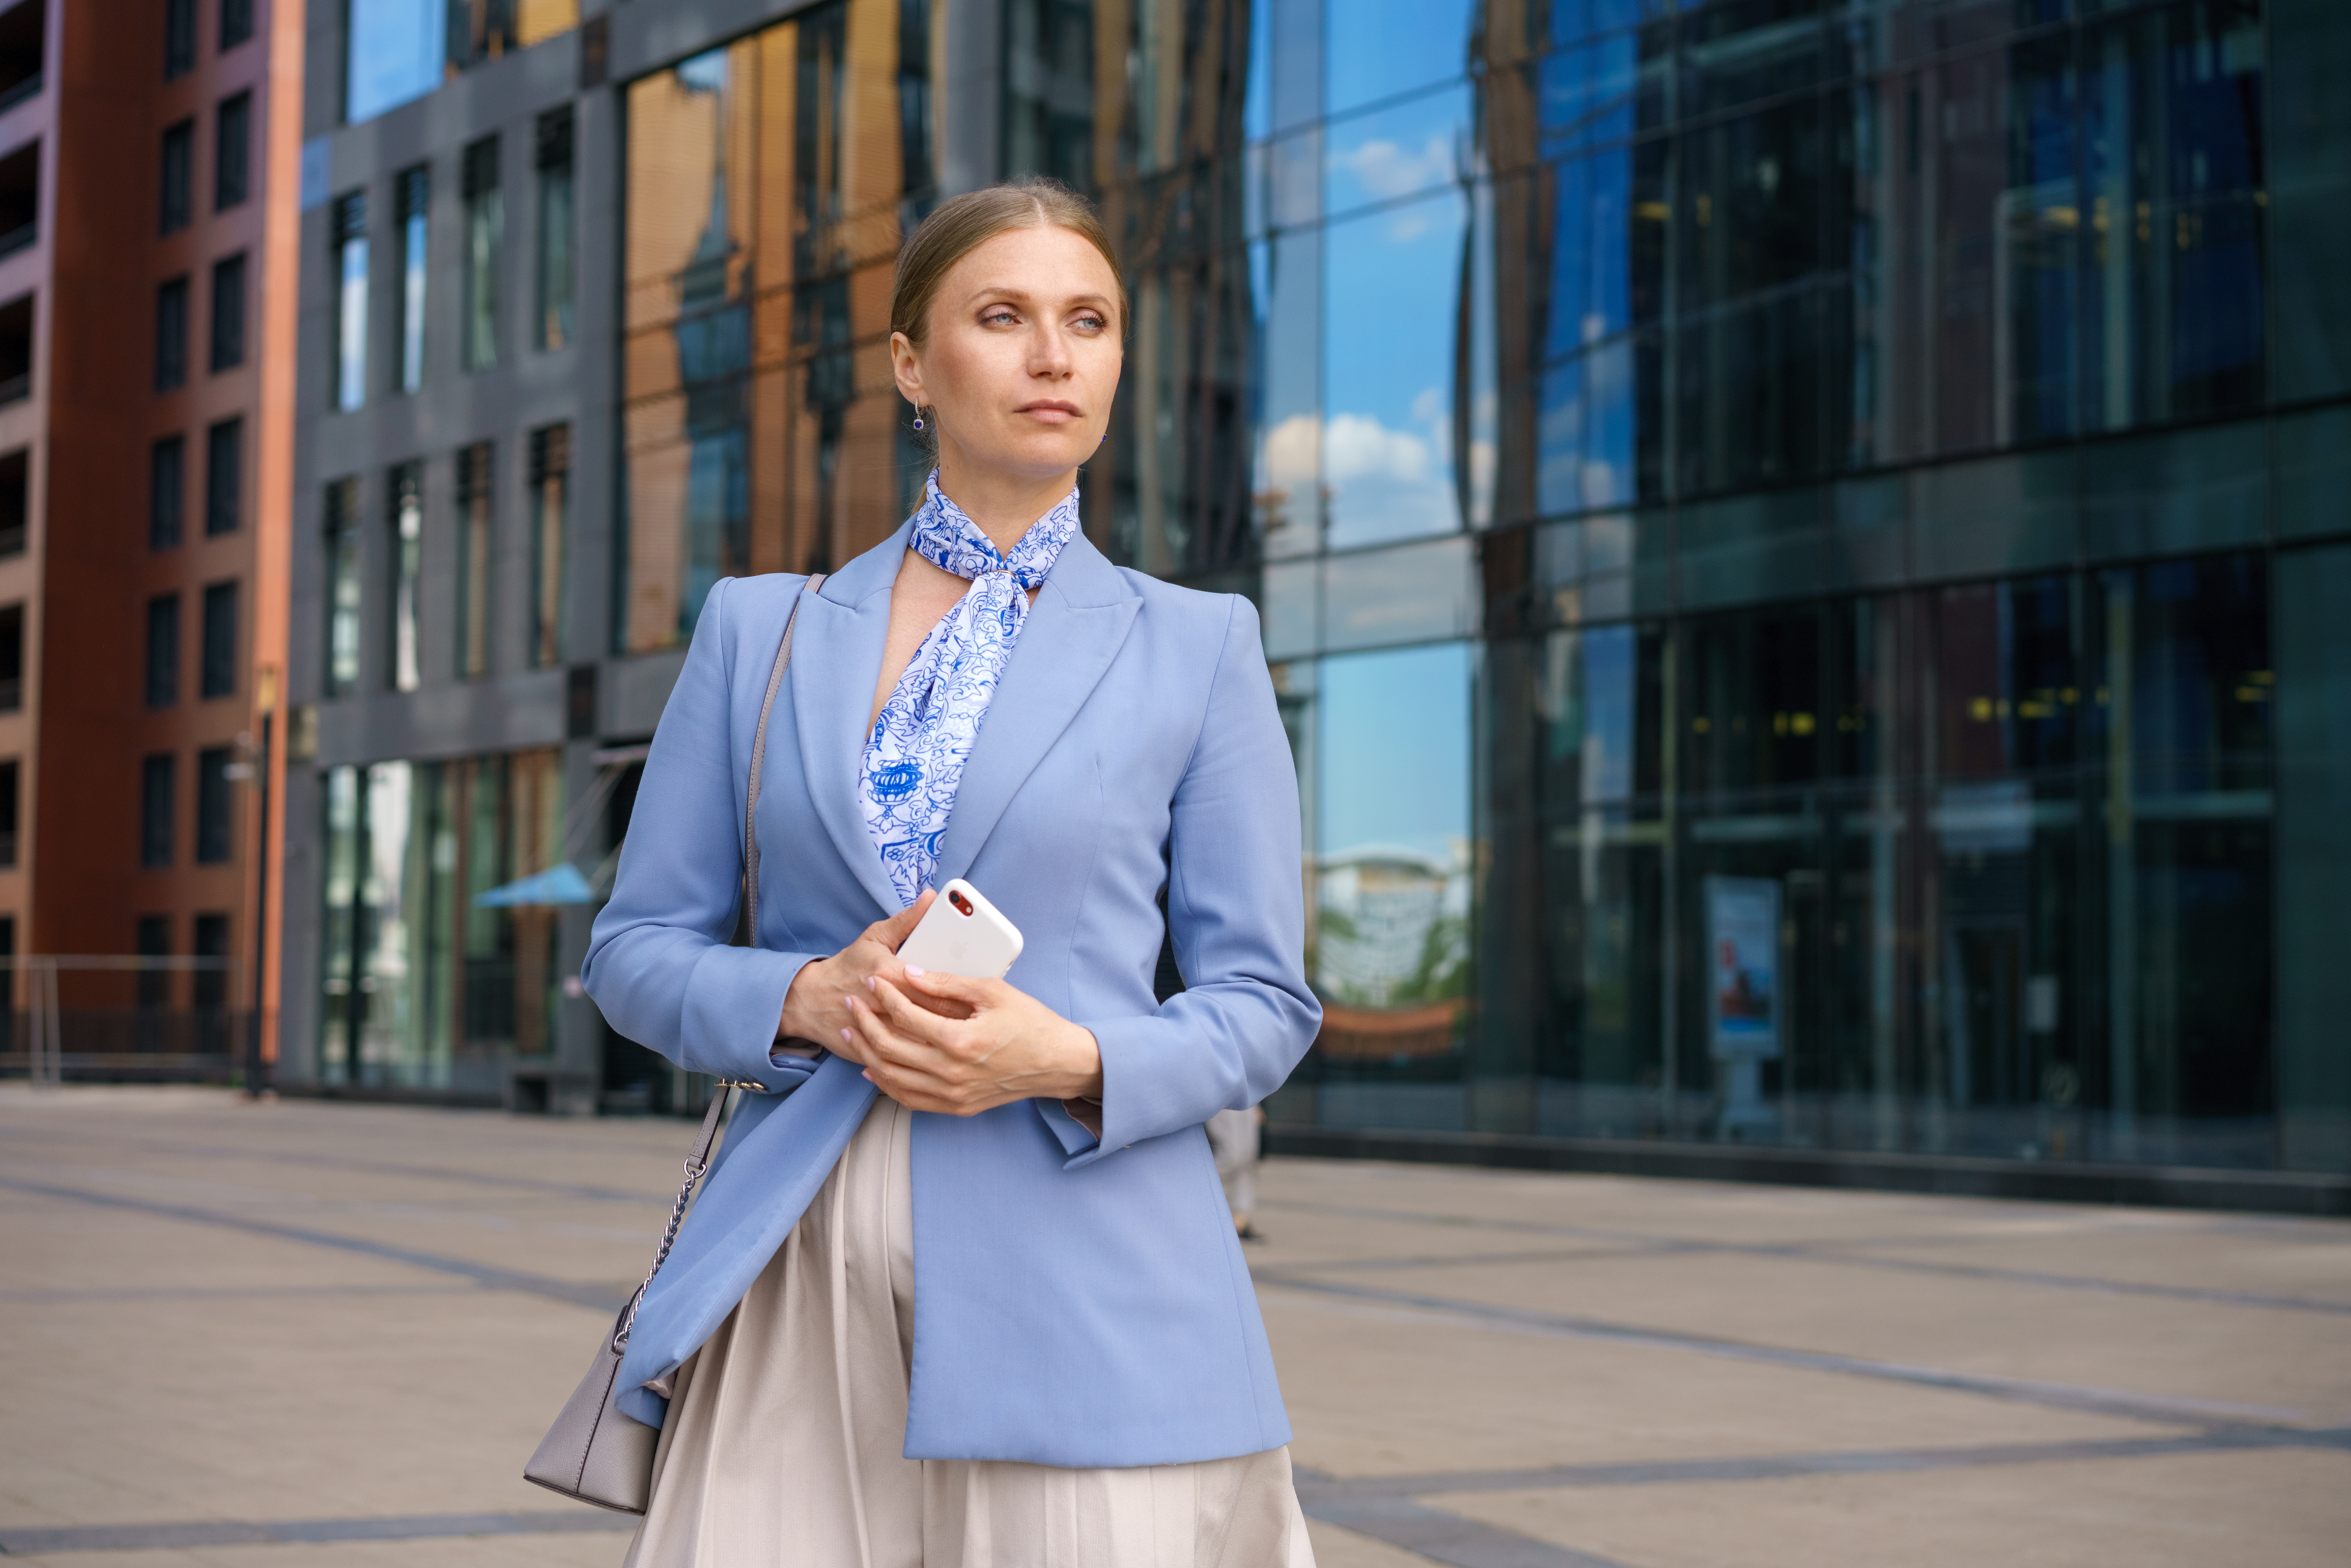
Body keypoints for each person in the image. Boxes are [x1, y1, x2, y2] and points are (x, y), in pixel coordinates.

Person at [584, 178, 1323, 1567]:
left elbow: (1263, 1003)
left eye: (1088, 320)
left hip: (1095, 1263)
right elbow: (631, 952)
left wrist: (1067, 1057)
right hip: (797, 1261)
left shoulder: (1199, 645)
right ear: (912, 365)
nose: (1054, 355)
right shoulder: (761, 634)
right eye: (1004, 316)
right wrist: (805, 996)